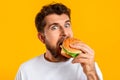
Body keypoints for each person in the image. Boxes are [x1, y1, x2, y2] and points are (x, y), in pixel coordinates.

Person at [15, 3, 103, 80]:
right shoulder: (26, 70)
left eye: (67, 25)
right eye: (54, 27)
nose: (65, 33)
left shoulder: (87, 65)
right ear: (42, 38)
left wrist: (91, 73)